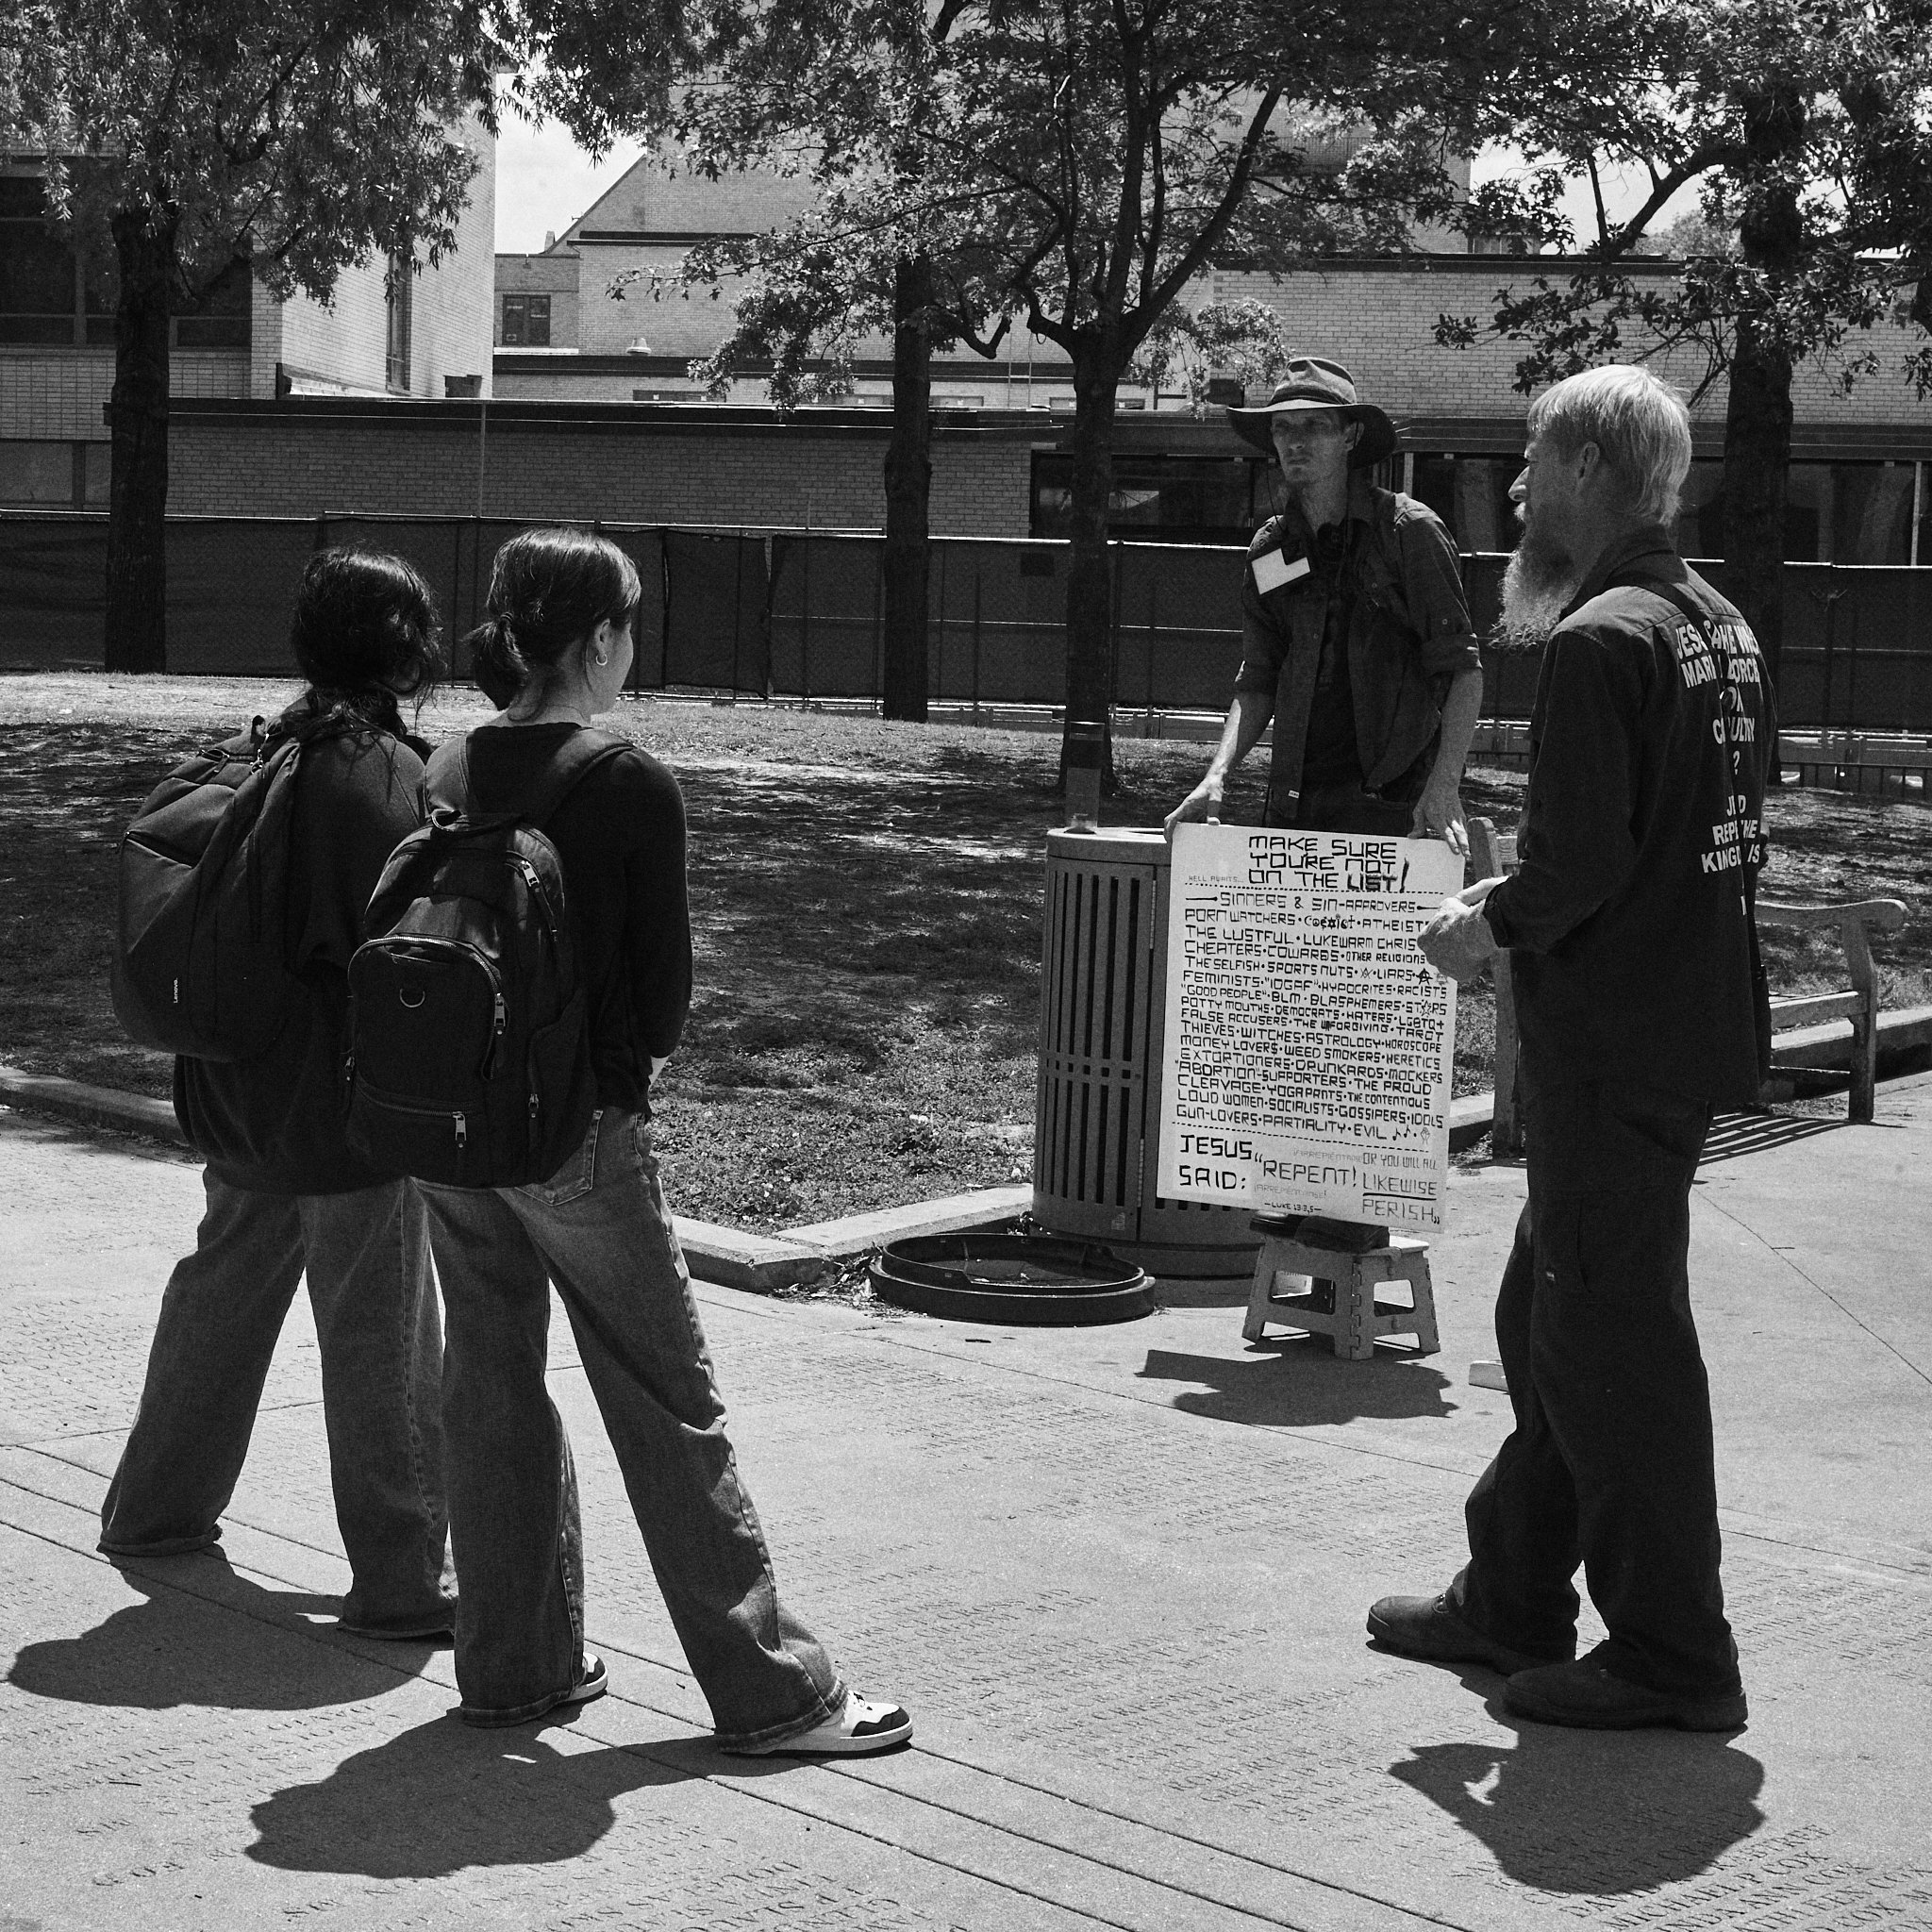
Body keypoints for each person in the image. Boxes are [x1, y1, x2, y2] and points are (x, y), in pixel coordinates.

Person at [417, 525, 911, 1749]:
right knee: (668, 1407)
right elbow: (663, 1003)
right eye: (629, 629)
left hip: (450, 1123)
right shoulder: (627, 779)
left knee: (490, 1387)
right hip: (580, 1130)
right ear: (596, 639)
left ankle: (514, 1668)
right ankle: (772, 1691)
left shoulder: (446, 763)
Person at [1367, 364, 1774, 1730]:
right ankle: (1513, 1592)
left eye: (1537, 463)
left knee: (1614, 1347)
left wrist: (1485, 921)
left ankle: (1674, 1654)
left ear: (1596, 468)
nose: (1523, 492)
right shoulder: (1716, 624)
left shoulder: (1604, 639)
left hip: (1615, 1041)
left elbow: (1582, 862)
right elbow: (1686, 845)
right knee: (1552, 1316)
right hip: (1684, 1026)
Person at [100, 549, 456, 1641]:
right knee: (382, 1333)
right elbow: (410, 958)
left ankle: (154, 1510)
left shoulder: (259, 752)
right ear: (405, 648)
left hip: (238, 1092)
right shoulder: (392, 779)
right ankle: (402, 1580)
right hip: (346, 1114)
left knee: (221, 1292)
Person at [1165, 357, 1485, 853]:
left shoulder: (1408, 531)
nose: (1296, 441)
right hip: (1293, 810)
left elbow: (1463, 670)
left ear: (1351, 437)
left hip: (1395, 807)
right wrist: (1216, 776)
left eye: (1315, 426)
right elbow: (1257, 680)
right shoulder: (1270, 550)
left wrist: (1443, 787)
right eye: (1283, 427)